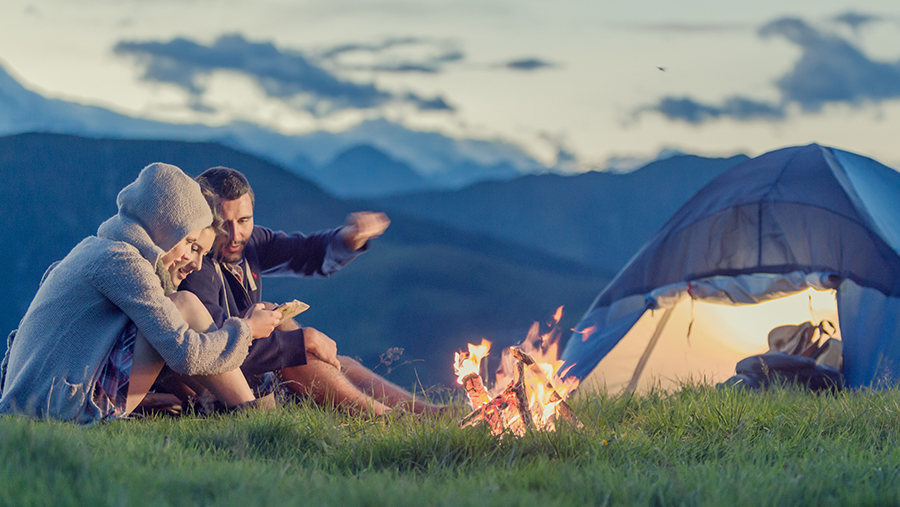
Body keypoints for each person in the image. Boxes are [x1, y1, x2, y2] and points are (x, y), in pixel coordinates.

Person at [0, 163, 282, 424]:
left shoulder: (94, 249)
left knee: (173, 313)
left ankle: (225, 408)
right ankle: (254, 417)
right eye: (190, 243)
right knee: (182, 305)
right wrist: (246, 330)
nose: (195, 263)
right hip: (62, 407)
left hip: (39, 400)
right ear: (164, 227)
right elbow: (184, 353)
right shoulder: (122, 260)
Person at [179, 167, 444, 416]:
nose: (235, 234)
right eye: (224, 223)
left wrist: (350, 238)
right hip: (222, 389)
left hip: (253, 369)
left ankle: (430, 413)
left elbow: (304, 253)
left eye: (244, 220)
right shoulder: (196, 268)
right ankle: (392, 420)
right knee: (292, 342)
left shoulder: (250, 243)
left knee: (340, 364)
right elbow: (214, 351)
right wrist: (302, 340)